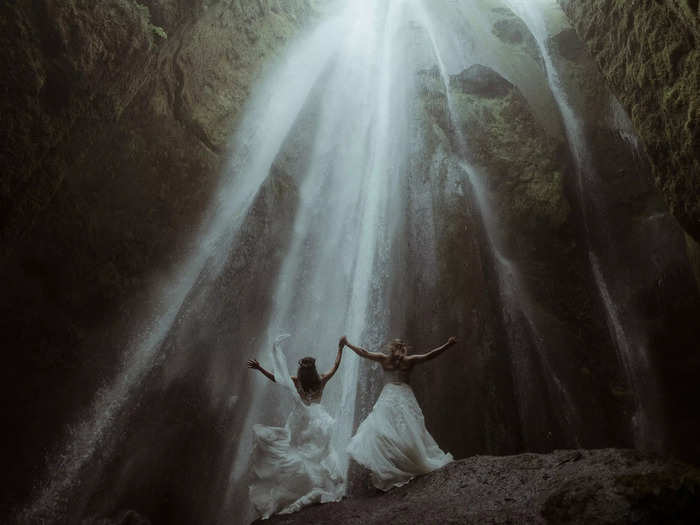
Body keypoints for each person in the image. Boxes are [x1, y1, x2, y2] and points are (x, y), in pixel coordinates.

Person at [246, 335, 345, 518]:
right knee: (319, 453)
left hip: (300, 419)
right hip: (318, 420)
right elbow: (336, 366)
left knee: (296, 452)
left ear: (300, 370)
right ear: (314, 369)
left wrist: (259, 368)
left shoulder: (296, 381)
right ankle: (319, 484)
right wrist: (341, 348)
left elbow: (277, 378)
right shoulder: (321, 380)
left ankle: (301, 486)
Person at [341, 335, 456, 491]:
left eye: (402, 348)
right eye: (399, 348)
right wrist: (348, 344)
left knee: (404, 428)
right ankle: (391, 465)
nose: (402, 351)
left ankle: (403, 463)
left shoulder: (396, 359)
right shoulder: (398, 359)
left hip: (397, 395)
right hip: (395, 395)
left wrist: (447, 346)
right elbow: (364, 352)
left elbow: (429, 355)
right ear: (394, 349)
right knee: (386, 428)